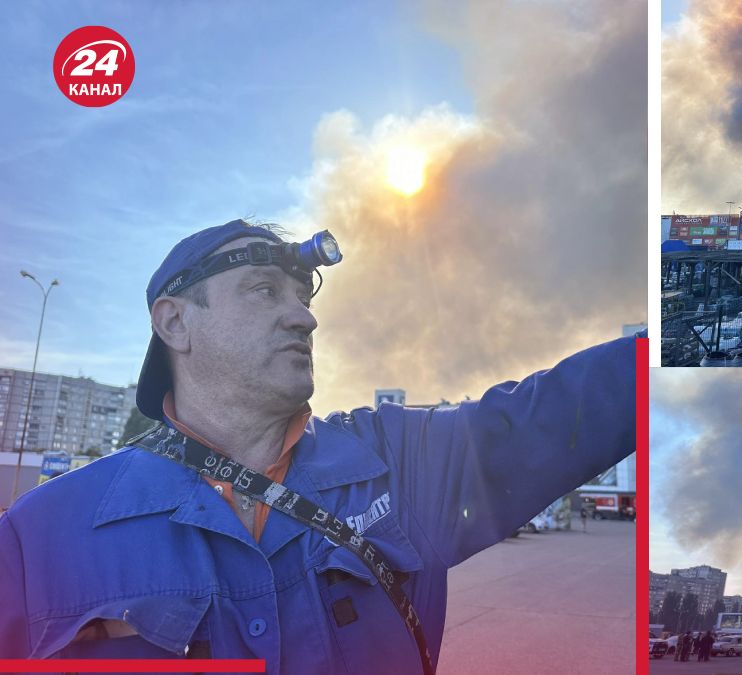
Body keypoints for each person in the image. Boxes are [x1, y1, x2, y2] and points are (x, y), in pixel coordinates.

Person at [0, 220, 635, 674]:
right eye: (263, 290)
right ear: (175, 322)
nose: (305, 317)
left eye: (303, 297)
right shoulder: (40, 538)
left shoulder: (399, 466)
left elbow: (566, 408)